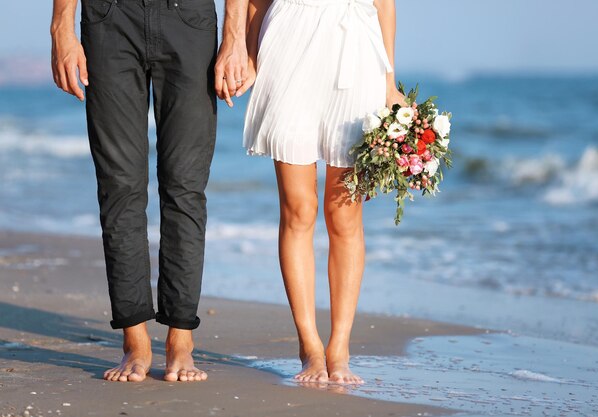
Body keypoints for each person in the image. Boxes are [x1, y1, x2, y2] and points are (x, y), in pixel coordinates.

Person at [50, 0, 249, 382]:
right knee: (119, 186)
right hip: (110, 17)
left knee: (185, 187)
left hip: (188, 19)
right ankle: (134, 341)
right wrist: (62, 28)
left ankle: (181, 339)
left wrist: (234, 37)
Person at [238, 0, 405, 384]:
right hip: (288, 41)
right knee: (298, 209)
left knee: (345, 213)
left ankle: (340, 347)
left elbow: (384, 3)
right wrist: (248, 53)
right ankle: (310, 346)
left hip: (358, 51)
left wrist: (389, 81)